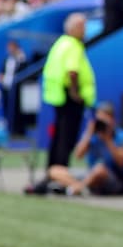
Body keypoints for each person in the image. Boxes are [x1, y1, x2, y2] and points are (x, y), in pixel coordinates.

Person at [40, 14, 96, 190]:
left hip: (58, 97)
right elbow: (73, 71)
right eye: (82, 26)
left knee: (59, 137)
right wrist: (75, 92)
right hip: (69, 98)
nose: (85, 31)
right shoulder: (73, 45)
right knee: (66, 138)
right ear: (75, 28)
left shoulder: (60, 43)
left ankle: (53, 172)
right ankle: (60, 176)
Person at [48, 101, 123, 196]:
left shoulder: (122, 137)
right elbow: (78, 155)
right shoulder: (93, 135)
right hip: (90, 176)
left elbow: (121, 162)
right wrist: (89, 132)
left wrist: (108, 140)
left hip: (114, 177)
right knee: (54, 170)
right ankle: (79, 188)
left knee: (100, 169)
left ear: (112, 120)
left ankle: (76, 188)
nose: (101, 124)